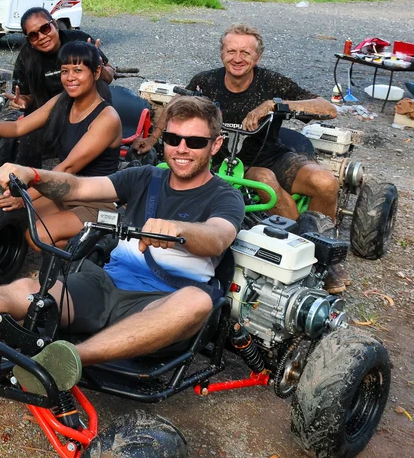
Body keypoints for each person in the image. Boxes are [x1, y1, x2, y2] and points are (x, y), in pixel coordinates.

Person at [0, 96, 244, 395]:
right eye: (174, 139)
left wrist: (175, 230)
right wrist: (32, 175)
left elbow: (218, 236)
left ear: (216, 144)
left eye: (194, 141)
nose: (181, 149)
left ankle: (68, 360)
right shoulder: (146, 177)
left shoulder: (224, 197)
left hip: (163, 301)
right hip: (105, 285)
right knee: (30, 290)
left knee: (198, 301)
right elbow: (78, 188)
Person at [131, 24, 347, 292]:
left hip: (271, 155)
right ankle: (296, 249)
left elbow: (327, 108)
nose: (238, 58)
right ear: (222, 53)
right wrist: (153, 139)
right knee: (263, 179)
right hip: (224, 161)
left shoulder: (272, 83)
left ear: (257, 58)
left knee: (325, 182)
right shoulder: (205, 82)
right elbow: (176, 106)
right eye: (231, 51)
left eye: (246, 52)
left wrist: (274, 105)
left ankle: (325, 255)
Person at [0, 41, 121, 250]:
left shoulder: (107, 118)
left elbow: (67, 168)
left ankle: (103, 246)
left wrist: (24, 198)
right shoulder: (64, 100)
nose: (70, 78)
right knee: (15, 216)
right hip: (66, 193)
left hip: (96, 202)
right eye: (65, 71)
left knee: (36, 236)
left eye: (78, 70)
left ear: (96, 73)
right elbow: (17, 128)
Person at [9, 8, 115, 166]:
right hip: (48, 114)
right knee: (25, 141)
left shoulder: (79, 40)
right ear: (29, 40)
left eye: (45, 29)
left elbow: (108, 76)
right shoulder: (27, 56)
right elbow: (25, 96)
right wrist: (22, 101)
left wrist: (98, 65)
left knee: (98, 84)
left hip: (84, 110)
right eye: (33, 35)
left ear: (55, 25)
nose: (42, 37)